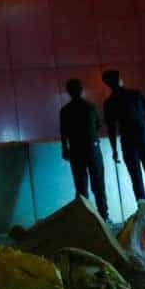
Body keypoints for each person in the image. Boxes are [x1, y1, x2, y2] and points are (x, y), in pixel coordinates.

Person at [102, 69, 145, 225]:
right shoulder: (135, 94)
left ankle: (144, 215)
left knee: (136, 179)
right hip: (144, 138)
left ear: (107, 84)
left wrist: (114, 150)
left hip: (128, 143)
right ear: (119, 79)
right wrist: (142, 122)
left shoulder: (109, 103)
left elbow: (111, 129)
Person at [59, 78, 109, 220]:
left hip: (75, 150)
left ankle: (85, 217)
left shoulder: (65, 111)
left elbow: (63, 132)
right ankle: (103, 215)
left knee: (81, 186)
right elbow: (99, 125)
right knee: (98, 183)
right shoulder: (90, 107)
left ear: (68, 92)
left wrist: (65, 148)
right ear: (81, 90)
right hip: (92, 148)